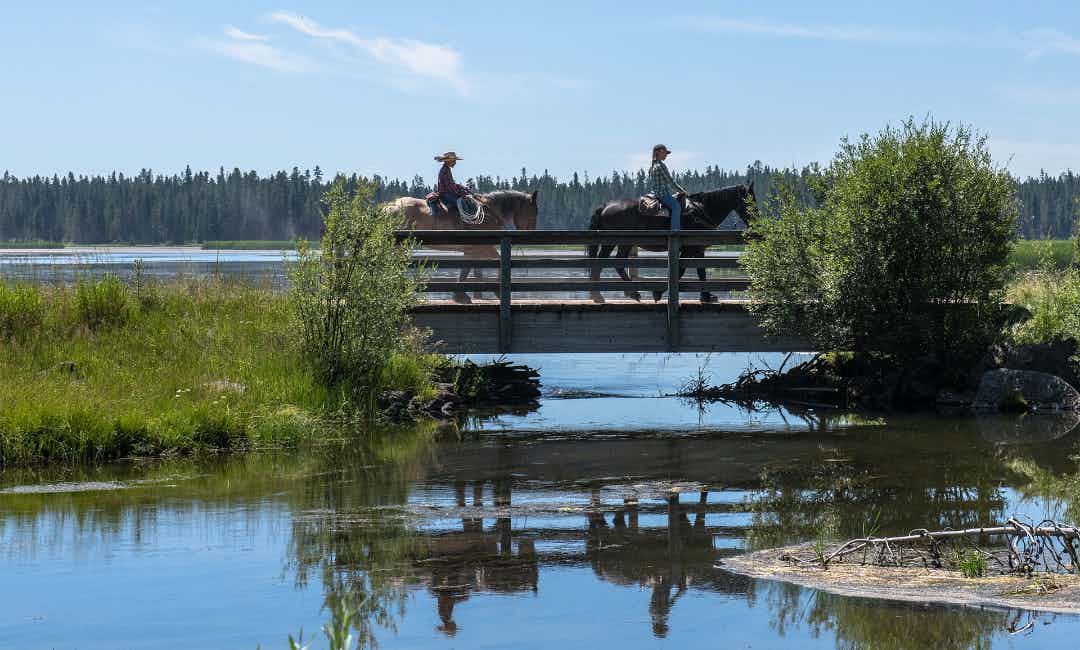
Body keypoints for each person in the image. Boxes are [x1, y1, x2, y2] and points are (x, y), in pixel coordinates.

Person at [647, 144, 688, 231]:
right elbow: (670, 181)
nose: (666, 155)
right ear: (658, 153)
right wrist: (682, 190)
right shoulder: (660, 165)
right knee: (676, 207)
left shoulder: (652, 166)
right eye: (664, 153)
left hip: (655, 193)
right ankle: (675, 231)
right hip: (662, 194)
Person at [428, 151, 473, 218]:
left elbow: (451, 184)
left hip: (447, 192)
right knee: (461, 202)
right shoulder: (445, 170)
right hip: (445, 194)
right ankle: (467, 219)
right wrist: (460, 193)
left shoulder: (446, 169)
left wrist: (461, 187)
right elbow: (449, 186)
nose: (455, 162)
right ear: (449, 161)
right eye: (454, 161)